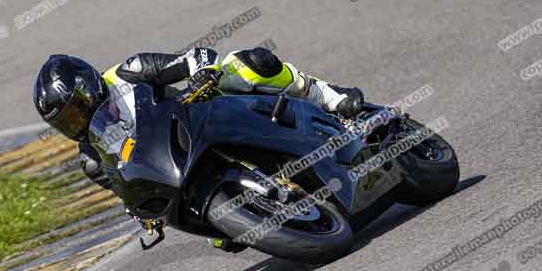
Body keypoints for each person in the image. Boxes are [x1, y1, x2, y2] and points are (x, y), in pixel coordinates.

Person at [32, 47, 364, 190]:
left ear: (87, 84)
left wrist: (202, 74)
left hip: (208, 116)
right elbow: (129, 191)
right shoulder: (92, 157)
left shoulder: (127, 73)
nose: (75, 121)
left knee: (246, 64)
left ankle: (328, 97)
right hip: (184, 167)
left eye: (76, 107)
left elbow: (197, 56)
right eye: (65, 121)